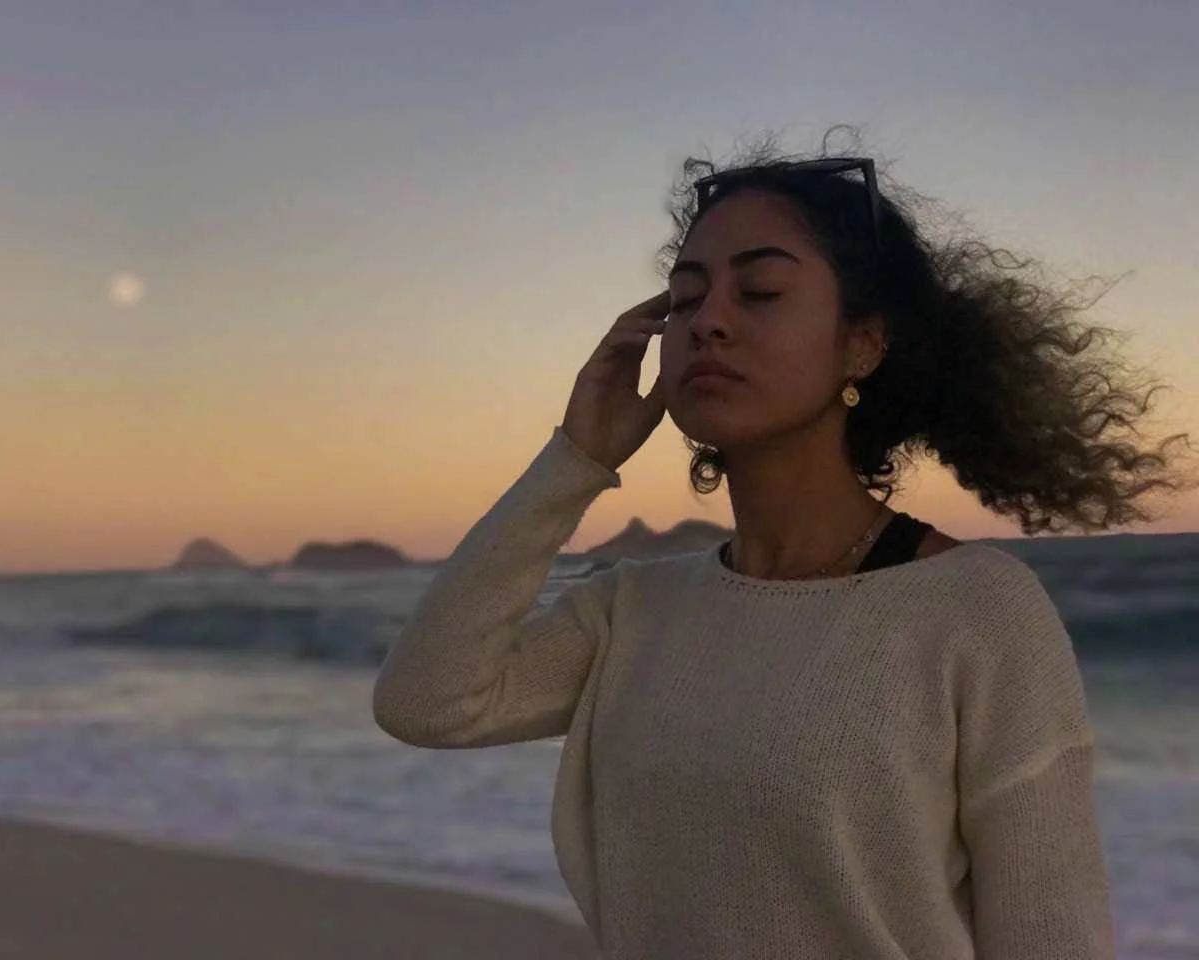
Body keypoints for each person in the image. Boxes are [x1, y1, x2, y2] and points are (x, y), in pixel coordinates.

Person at [372, 132, 1192, 959]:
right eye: (685, 300)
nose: (711, 323)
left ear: (862, 343)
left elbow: (1051, 940)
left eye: (760, 291)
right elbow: (427, 702)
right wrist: (576, 461)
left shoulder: (976, 608)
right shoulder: (632, 610)